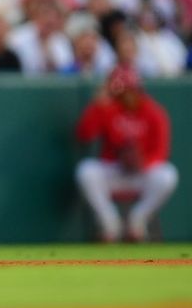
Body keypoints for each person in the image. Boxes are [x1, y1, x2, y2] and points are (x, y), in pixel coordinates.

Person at [74, 66, 178, 242]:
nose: (125, 96)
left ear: (137, 89)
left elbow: (161, 151)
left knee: (167, 174)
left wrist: (142, 163)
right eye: (120, 92)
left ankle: (137, 221)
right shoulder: (108, 108)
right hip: (114, 170)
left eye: (129, 90)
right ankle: (110, 224)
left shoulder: (154, 112)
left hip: (142, 172)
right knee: (86, 170)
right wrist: (96, 107)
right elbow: (84, 134)